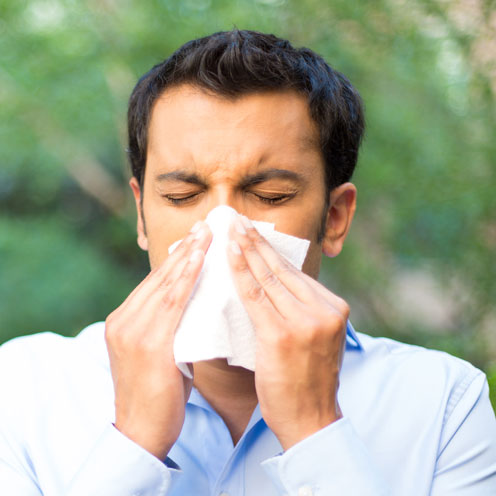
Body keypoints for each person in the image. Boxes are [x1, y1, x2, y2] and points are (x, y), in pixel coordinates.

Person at [0, 29, 495, 496]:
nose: (223, 228)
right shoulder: (23, 390)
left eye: (270, 195)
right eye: (181, 195)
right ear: (142, 215)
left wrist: (316, 432)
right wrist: (132, 443)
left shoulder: (443, 403)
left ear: (336, 218)